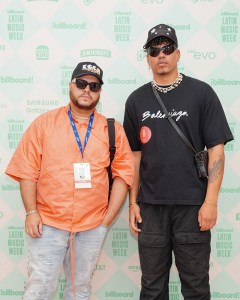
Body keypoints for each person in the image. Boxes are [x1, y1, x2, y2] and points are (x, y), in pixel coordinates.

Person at [5, 61, 134, 300]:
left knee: (80, 290)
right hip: (48, 224)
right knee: (38, 289)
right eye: (82, 83)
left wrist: (107, 219)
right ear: (71, 85)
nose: (87, 90)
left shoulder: (112, 129)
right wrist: (31, 212)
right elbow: (27, 170)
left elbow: (124, 175)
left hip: (92, 225)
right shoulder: (43, 124)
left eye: (94, 86)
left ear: (99, 92)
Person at [123, 24, 234, 300]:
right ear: (147, 57)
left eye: (167, 48)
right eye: (154, 49)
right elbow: (134, 157)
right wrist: (133, 202)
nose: (161, 54)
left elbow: (216, 151)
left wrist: (210, 202)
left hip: (193, 207)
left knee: (196, 288)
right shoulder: (136, 100)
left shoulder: (202, 93)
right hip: (150, 209)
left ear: (178, 53)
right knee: (151, 288)